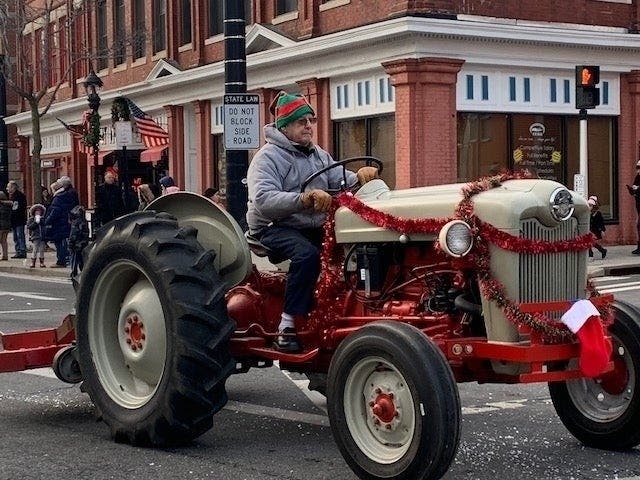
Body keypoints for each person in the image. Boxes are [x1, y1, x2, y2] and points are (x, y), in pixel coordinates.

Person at [246, 91, 378, 352]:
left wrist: (361, 177)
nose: (308, 126)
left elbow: (339, 180)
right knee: (307, 255)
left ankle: (351, 310)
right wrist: (303, 199)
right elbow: (263, 200)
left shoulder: (318, 154)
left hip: (311, 226)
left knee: (357, 246)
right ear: (284, 127)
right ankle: (287, 324)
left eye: (310, 120)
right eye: (301, 121)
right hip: (274, 227)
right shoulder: (267, 158)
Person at [45, 177, 79, 267]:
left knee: (59, 242)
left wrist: (47, 220)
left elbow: (55, 211)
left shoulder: (58, 198)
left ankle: (61, 260)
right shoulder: (69, 194)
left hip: (59, 223)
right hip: (67, 221)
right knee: (66, 241)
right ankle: (67, 259)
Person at [6, 180, 27, 259]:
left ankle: (21, 251)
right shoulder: (12, 196)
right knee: (16, 236)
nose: (7, 189)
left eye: (8, 187)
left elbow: (16, 207)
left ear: (13, 187)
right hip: (15, 220)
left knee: (20, 236)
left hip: (18, 219)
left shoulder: (18, 196)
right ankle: (18, 251)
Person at [68, 205, 90, 277]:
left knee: (74, 259)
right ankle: (84, 272)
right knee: (82, 259)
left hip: (76, 244)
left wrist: (71, 243)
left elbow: (73, 234)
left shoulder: (76, 222)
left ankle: (74, 273)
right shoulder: (84, 221)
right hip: (83, 243)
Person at [26, 204, 47, 268]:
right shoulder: (31, 219)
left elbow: (45, 225)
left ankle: (42, 262)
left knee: (41, 250)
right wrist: (35, 223)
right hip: (35, 236)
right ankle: (33, 261)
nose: (38, 213)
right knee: (35, 249)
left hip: (42, 237)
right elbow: (29, 227)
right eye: (36, 211)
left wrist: (41, 221)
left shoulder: (43, 219)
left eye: (39, 211)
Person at [626, 160, 640, 254]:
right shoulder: (637, 177)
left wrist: (638, 189)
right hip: (638, 204)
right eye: (637, 167)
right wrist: (631, 189)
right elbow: (633, 192)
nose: (638, 170)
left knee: (639, 225)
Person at [0, 191, 12, 261]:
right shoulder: (8, 205)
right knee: (4, 241)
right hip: (7, 225)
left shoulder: (1, 206)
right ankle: (5, 255)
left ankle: (3, 255)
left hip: (1, 225)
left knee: (1, 240)